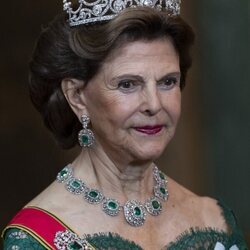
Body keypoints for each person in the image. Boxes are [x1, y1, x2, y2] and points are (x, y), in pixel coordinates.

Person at [2, 0, 247, 249]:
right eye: (128, 84)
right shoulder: (37, 238)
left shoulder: (214, 222)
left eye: (168, 82)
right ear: (77, 96)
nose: (154, 104)